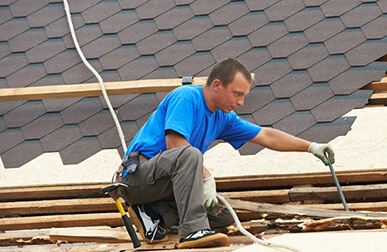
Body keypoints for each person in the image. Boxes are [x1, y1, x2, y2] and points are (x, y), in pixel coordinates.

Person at [116, 58, 335, 249]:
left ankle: (152, 214)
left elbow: (266, 136)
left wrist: (311, 146)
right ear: (217, 85)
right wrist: (207, 178)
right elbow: (175, 145)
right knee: (190, 155)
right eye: (237, 94)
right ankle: (192, 231)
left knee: (222, 214)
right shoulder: (186, 97)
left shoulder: (222, 117)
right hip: (136, 178)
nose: (241, 102)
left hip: (162, 187)